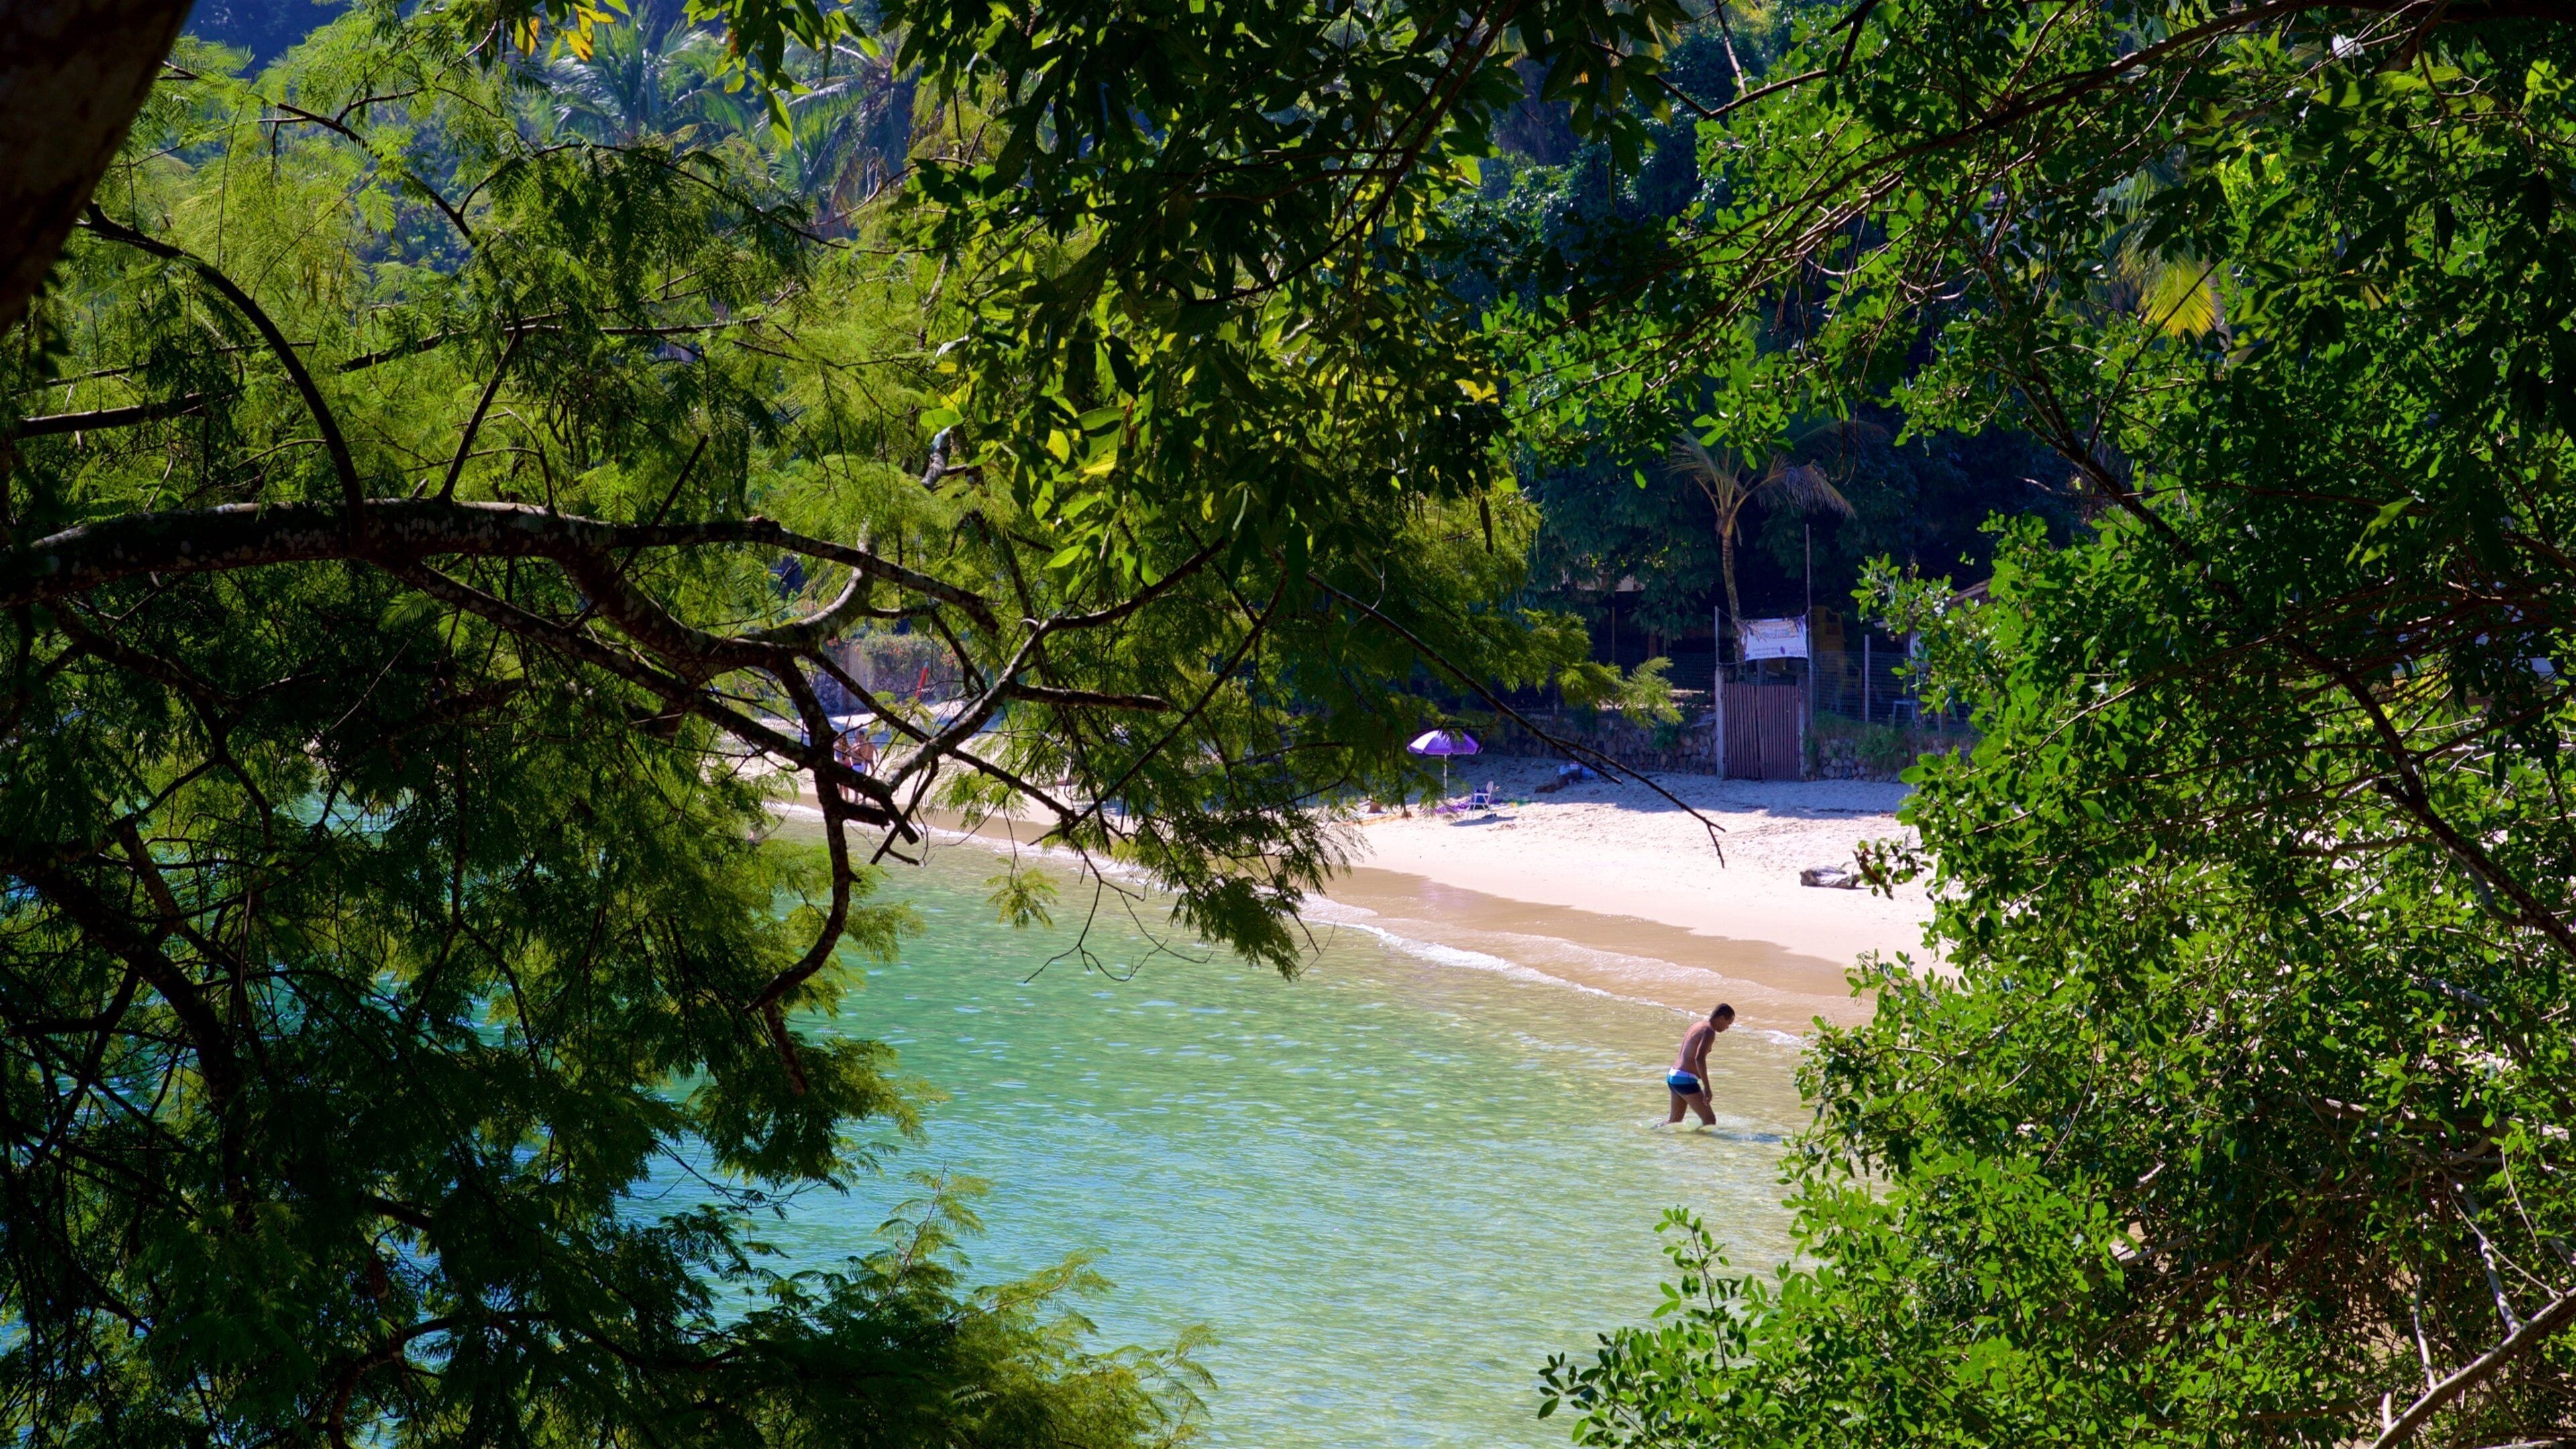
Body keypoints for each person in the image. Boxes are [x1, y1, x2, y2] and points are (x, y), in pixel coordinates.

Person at [1665, 1004, 1734, 1126]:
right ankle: (1697, 1143)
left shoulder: (1698, 1025)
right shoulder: (1709, 1031)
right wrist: (1707, 1087)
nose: (1727, 1027)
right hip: (1685, 1079)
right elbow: (1699, 1058)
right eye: (1729, 1023)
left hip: (1674, 1076)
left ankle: (1651, 1134)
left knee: (1674, 1121)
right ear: (1722, 1018)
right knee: (1710, 1121)